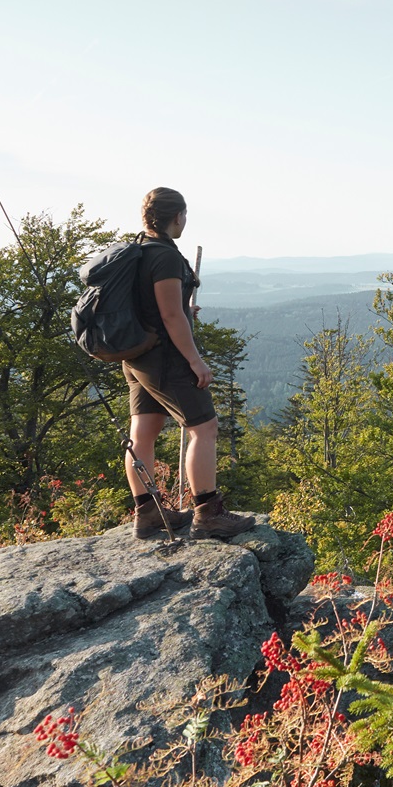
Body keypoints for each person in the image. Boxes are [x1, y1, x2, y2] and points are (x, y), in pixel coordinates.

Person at [124, 187, 255, 539]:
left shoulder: (137, 251)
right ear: (178, 216)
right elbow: (168, 313)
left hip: (137, 356)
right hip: (165, 357)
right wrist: (196, 361)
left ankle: (147, 513)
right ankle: (207, 513)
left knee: (143, 432)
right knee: (204, 428)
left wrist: (184, 310)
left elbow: (156, 305)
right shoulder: (164, 256)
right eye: (185, 215)